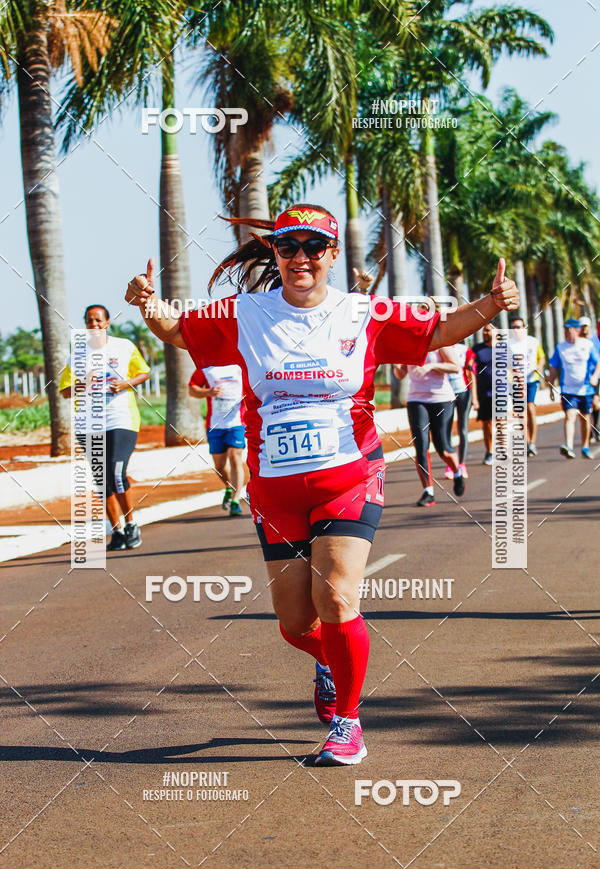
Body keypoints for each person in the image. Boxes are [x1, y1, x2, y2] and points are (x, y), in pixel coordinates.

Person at [124, 203, 520, 765]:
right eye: (289, 247)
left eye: (314, 247)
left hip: (349, 477)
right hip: (275, 488)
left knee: (334, 596)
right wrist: (147, 303)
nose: (301, 257)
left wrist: (491, 304)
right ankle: (330, 661)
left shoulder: (363, 312)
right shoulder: (244, 312)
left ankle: (347, 723)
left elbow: (437, 331)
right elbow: (178, 331)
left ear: (332, 254)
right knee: (294, 623)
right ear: (276, 253)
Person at [59, 304, 151, 549]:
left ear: (107, 323)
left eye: (99, 320)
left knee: (117, 471)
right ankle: (117, 531)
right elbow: (65, 391)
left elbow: (144, 372)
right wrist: (84, 383)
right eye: (89, 321)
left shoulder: (124, 346)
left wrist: (126, 383)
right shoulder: (77, 355)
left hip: (121, 418)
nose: (94, 324)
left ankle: (131, 524)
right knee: (102, 479)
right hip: (89, 424)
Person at [393, 347, 464, 507]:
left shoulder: (439, 343)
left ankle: (457, 472)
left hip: (441, 399)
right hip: (416, 400)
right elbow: (401, 374)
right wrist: (396, 366)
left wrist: (431, 366)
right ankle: (428, 492)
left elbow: (455, 367)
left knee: (443, 448)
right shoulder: (408, 344)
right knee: (421, 446)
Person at [188, 365, 246, 516]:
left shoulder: (240, 367)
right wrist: (208, 392)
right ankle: (229, 487)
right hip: (215, 425)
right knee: (219, 466)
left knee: (235, 457)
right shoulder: (206, 369)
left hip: (237, 423)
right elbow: (192, 389)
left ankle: (235, 500)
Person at [548, 317, 600, 459]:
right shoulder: (560, 347)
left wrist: (595, 376)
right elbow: (553, 367)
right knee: (569, 415)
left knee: (585, 418)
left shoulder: (587, 345)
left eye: (569, 329)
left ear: (576, 330)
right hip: (568, 390)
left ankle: (585, 447)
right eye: (565, 329)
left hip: (586, 389)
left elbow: (598, 362)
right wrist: (551, 386)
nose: (566, 331)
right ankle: (569, 446)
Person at [508, 316, 545, 456]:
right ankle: (527, 441)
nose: (516, 330)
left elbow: (541, 357)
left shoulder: (533, 342)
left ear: (524, 328)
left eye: (518, 327)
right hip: (516, 382)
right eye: (513, 327)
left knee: (530, 408)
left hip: (531, 379)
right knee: (520, 413)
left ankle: (533, 442)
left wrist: (539, 368)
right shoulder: (508, 344)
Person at [445, 341, 475, 479]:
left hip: (464, 392)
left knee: (463, 429)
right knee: (447, 429)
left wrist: (475, 397)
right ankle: (451, 464)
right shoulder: (442, 348)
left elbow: (471, 373)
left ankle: (462, 463)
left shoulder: (465, 350)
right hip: (446, 394)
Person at [471, 323, 496, 464]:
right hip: (483, 392)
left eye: (488, 330)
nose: (485, 333)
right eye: (484, 330)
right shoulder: (476, 349)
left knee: (501, 422)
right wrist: (474, 396)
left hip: (501, 390)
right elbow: (471, 371)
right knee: (487, 423)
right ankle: (490, 451)